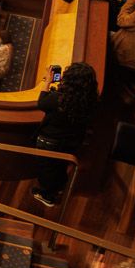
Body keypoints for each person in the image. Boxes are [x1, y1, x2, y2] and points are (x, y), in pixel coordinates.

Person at [31, 60, 96, 207]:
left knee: (46, 168)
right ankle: (60, 185)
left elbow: (41, 103)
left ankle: (47, 196)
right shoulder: (90, 98)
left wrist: (47, 81)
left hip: (50, 141)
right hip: (72, 140)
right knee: (60, 164)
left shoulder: (58, 99)